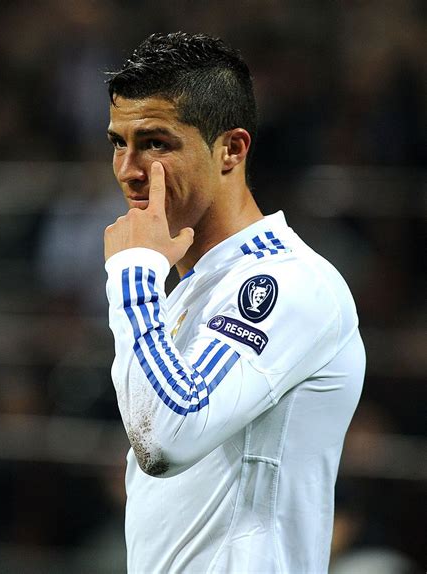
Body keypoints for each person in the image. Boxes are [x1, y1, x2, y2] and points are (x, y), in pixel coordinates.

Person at [103, 32, 365, 573]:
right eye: (118, 142)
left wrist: (132, 276)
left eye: (156, 143)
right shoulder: (190, 291)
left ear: (231, 149)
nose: (129, 169)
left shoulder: (287, 283)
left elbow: (167, 439)